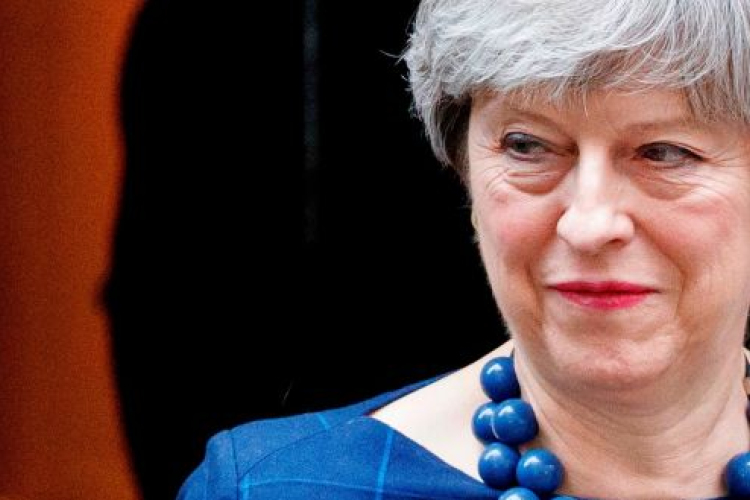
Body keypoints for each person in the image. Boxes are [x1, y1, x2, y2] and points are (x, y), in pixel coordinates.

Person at [177, 0, 750, 498]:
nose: (589, 224)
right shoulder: (277, 486)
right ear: (466, 175)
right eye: (528, 146)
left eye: (665, 153)